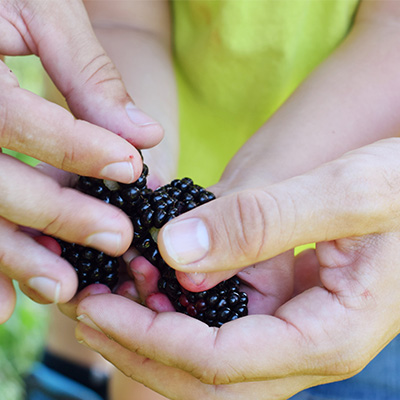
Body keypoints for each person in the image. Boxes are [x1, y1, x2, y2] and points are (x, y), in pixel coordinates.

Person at [67, 0, 400, 399]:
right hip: (178, 201)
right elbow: (122, 19)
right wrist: (135, 168)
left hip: (372, 236)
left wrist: (258, 191)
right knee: (157, 370)